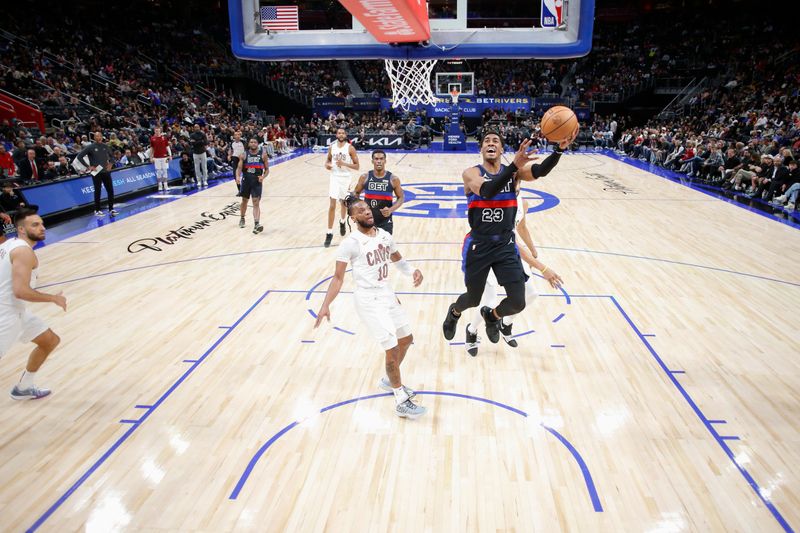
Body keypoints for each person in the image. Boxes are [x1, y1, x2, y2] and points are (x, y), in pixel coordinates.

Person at [442, 128, 576, 343]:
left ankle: (492, 316)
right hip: (479, 244)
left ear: (502, 148)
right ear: (482, 149)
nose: (491, 143)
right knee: (473, 299)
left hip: (505, 245)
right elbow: (487, 191)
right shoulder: (471, 174)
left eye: (496, 140)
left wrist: (558, 151)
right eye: (487, 141)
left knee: (518, 302)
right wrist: (514, 165)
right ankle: (455, 312)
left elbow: (540, 170)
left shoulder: (514, 173)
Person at [314, 195, 426, 419]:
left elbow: (397, 258)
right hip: (367, 300)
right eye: (361, 211)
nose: (367, 212)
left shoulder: (384, 235)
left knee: (406, 339)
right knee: (392, 347)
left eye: (367, 209)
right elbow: (337, 278)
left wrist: (411, 271)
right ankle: (401, 400)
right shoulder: (350, 243)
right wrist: (325, 305)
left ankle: (389, 380)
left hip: (387, 294)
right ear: (353, 218)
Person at [464, 194, 563, 356]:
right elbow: (513, 243)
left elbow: (521, 228)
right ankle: (472, 330)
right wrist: (543, 268)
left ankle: (505, 323)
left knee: (530, 294)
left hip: (510, 254)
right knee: (489, 300)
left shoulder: (522, 203)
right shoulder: (496, 202)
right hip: (488, 252)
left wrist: (533, 251)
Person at [0, 209, 66, 400]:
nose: (42, 228)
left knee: (49, 340)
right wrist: (52, 298)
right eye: (35, 225)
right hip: (6, 314)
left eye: (42, 223)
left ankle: (24, 387)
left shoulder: (10, 244)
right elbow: (20, 291)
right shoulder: (22, 251)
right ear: (21, 229)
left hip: (16, 310)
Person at [352, 149, 404, 234]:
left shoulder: (393, 179)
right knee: (367, 246)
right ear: (372, 161)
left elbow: (401, 197)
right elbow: (356, 193)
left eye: (381, 159)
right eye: (376, 159)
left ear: (385, 161)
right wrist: (358, 206)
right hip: (367, 220)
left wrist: (391, 210)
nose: (379, 161)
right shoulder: (364, 177)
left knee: (385, 247)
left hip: (385, 221)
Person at [323, 127, 360, 247]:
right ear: (336, 134)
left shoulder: (350, 148)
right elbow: (328, 160)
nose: (341, 134)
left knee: (343, 203)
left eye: (343, 133)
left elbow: (357, 166)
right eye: (339, 132)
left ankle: (343, 221)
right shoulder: (332, 147)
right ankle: (329, 233)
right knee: (332, 205)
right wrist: (327, 165)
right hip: (334, 177)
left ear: (345, 134)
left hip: (345, 177)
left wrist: (343, 164)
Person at [76, 132, 117, 216]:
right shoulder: (90, 147)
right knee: (97, 191)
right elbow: (79, 157)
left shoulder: (106, 146)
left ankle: (111, 209)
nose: (98, 137)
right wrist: (88, 166)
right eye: (96, 136)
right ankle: (97, 210)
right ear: (94, 138)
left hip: (105, 171)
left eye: (100, 136)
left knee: (110, 190)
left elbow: (112, 157)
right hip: (96, 171)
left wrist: (110, 164)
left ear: (102, 137)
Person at [236, 137, 269, 234]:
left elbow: (267, 170)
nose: (253, 143)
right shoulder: (244, 155)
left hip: (257, 181)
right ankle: (242, 218)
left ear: (257, 144)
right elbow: (239, 168)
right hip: (246, 180)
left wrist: (263, 177)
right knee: (244, 201)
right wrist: (238, 176)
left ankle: (256, 224)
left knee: (256, 202)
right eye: (251, 142)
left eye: (255, 142)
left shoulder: (263, 155)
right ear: (249, 144)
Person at [150, 126, 172, 192]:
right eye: (156, 131)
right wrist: (151, 157)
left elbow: (167, 147)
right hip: (156, 158)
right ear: (154, 131)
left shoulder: (164, 138)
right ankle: (160, 185)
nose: (157, 132)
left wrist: (170, 155)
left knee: (165, 171)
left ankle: (166, 185)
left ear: (160, 131)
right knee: (158, 172)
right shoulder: (152, 138)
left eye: (158, 131)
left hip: (164, 157)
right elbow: (152, 148)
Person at [229, 131, 245, 196]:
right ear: (234, 136)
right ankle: (240, 190)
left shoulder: (243, 142)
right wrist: (229, 155)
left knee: (247, 175)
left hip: (243, 160)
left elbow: (247, 150)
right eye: (236, 135)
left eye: (238, 134)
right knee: (235, 176)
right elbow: (231, 150)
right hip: (235, 159)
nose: (237, 136)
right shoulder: (232, 143)